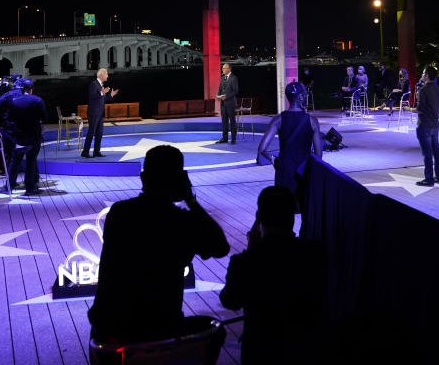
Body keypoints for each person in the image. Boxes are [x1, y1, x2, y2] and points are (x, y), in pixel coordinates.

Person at [88, 145, 229, 357]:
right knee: (214, 330)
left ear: (143, 178)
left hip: (109, 329)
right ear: (181, 181)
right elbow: (221, 247)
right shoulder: (182, 222)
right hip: (161, 329)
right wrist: (191, 199)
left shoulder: (119, 214)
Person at [220, 186, 327, 365]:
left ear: (259, 218)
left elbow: (230, 300)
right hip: (304, 349)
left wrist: (251, 251)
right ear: (291, 218)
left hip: (260, 351)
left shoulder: (245, 262)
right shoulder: (314, 254)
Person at [257, 82, 323, 195]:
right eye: (305, 94)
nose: (306, 97)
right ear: (301, 97)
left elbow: (262, 149)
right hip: (304, 170)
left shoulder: (278, 120)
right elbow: (318, 155)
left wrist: (273, 160)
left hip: (284, 169)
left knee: (285, 208)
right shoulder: (312, 121)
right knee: (305, 207)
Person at [0, 78, 48, 195]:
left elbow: (9, 118)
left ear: (22, 89)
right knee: (31, 161)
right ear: (31, 89)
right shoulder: (38, 101)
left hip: (19, 136)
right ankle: (30, 188)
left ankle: (8, 187)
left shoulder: (14, 101)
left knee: (15, 161)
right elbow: (45, 117)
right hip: (34, 136)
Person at [415, 66, 439, 187]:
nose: (422, 75)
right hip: (435, 124)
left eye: (423, 73)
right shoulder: (438, 89)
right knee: (436, 152)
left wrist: (409, 109)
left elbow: (420, 109)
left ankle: (429, 179)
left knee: (427, 153)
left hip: (424, 124)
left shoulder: (423, 90)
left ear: (427, 75)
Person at [82, 68, 119, 158]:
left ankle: (96, 151)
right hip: (93, 113)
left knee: (99, 133)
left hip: (100, 113)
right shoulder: (93, 84)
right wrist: (101, 92)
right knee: (91, 132)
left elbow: (103, 99)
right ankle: (85, 152)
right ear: (102, 75)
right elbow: (92, 96)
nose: (107, 76)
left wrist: (111, 95)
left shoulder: (101, 85)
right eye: (106, 74)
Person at [215, 63, 239, 144]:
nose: (223, 70)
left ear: (229, 69)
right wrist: (218, 96)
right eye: (222, 68)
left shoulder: (234, 78)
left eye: (224, 68)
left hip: (231, 104)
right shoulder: (222, 78)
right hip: (223, 104)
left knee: (232, 121)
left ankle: (233, 138)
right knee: (224, 121)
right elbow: (220, 89)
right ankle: (224, 138)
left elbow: (235, 91)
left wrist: (226, 97)